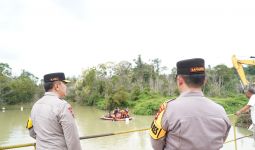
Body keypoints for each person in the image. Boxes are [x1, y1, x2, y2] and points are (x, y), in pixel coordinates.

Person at [149, 58, 231, 150]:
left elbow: (156, 144)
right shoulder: (221, 111)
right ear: (204, 80)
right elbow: (222, 139)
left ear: (180, 80)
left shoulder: (168, 109)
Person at [26, 72, 82, 150]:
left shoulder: (35, 106)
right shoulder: (63, 106)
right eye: (64, 84)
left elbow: (32, 133)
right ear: (57, 86)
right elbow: (72, 140)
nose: (66, 87)